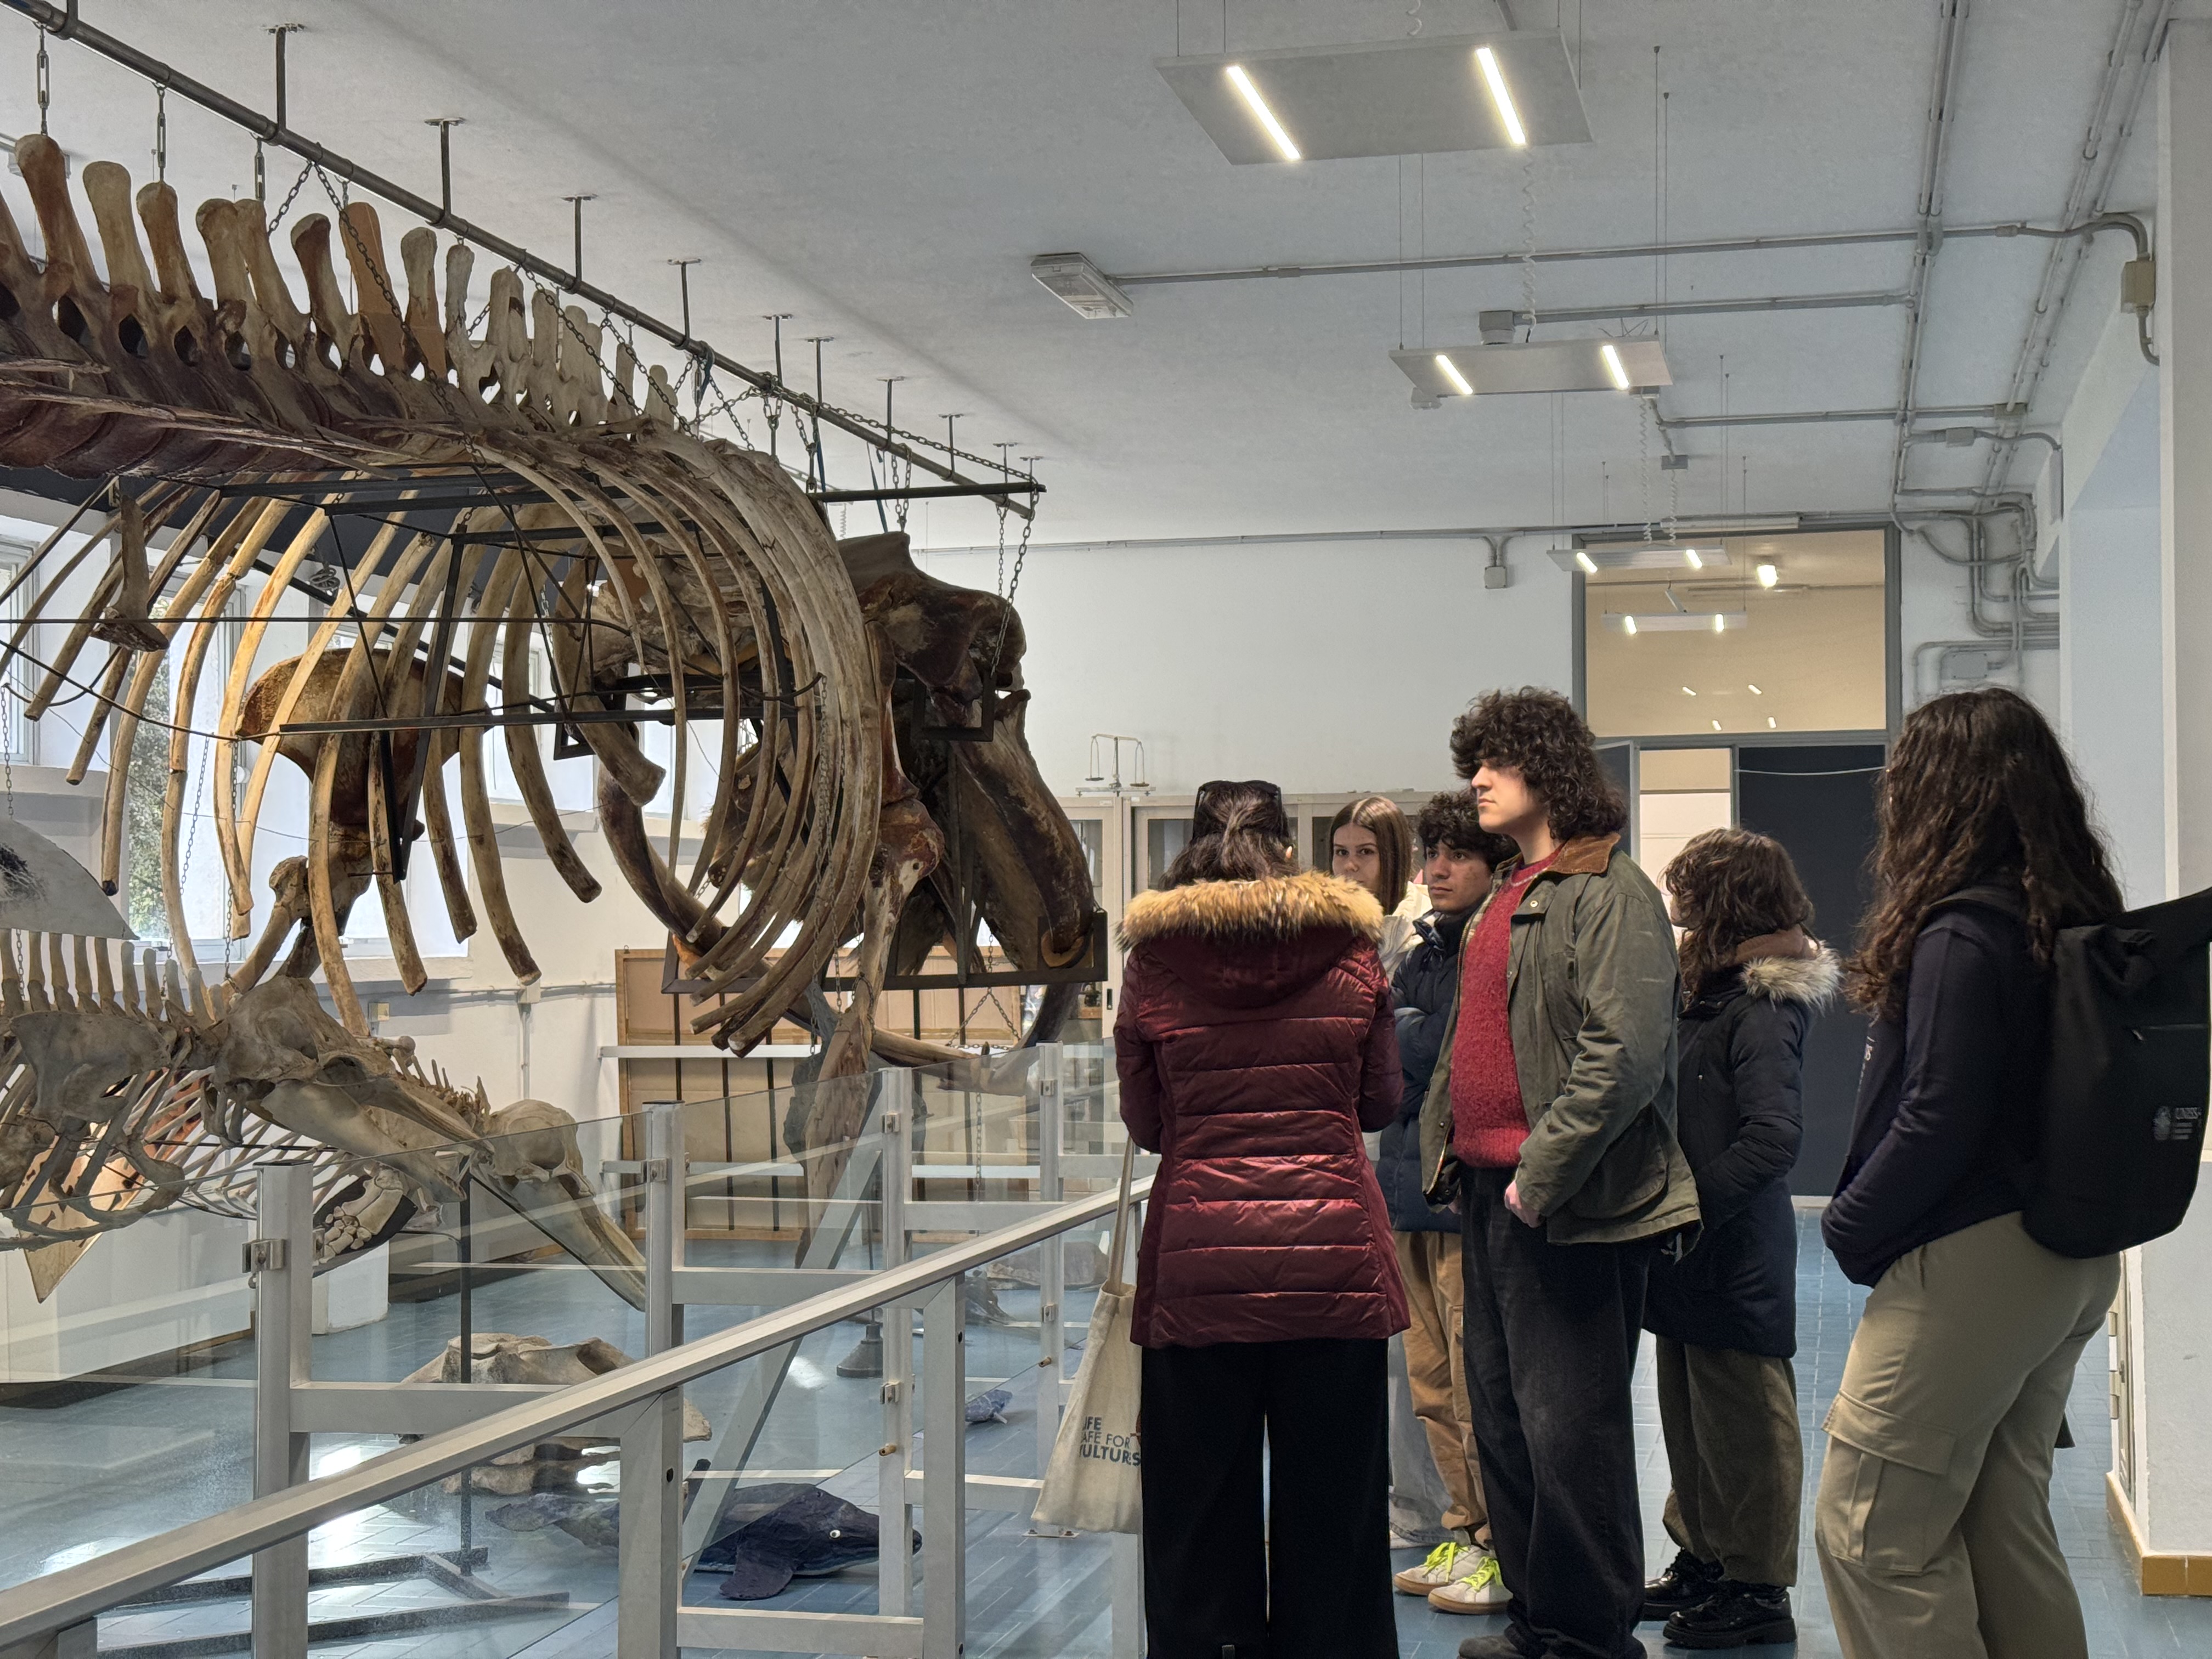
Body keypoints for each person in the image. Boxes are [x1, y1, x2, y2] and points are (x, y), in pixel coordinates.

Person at [1816, 688, 2124, 1659]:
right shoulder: (2067, 918)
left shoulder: (1960, 928)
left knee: (1873, 1532)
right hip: (2066, 1256)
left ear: (1937, 792)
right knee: (2002, 1518)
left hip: (1971, 1266)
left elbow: (1938, 1112)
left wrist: (1847, 1223)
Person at [1415, 687, 1699, 1659]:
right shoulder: (1508, 890)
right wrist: (1446, 1146)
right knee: (1502, 1421)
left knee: (1570, 1433)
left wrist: (1538, 1173)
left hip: (1566, 1203)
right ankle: (1541, 1619)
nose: (1478, 779)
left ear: (1547, 767)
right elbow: (1468, 1042)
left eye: (1495, 760)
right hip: (1492, 1197)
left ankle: (1587, 1636)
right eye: (1474, 763)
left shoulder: (1611, 891)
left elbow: (1622, 1055)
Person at [1116, 777, 1408, 1659]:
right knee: (1339, 1517)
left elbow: (1147, 1124)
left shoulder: (1153, 964)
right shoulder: (1352, 949)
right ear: (1289, 852)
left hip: (1200, 1271)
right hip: (1334, 1267)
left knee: (1196, 1516)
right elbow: (1381, 1102)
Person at [1640, 829, 1837, 1649]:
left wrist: (1687, 1209)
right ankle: (1706, 1556)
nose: (1677, 910)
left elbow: (1772, 1139)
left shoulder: (1762, 1006)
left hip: (1729, 1246)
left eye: (1689, 894)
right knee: (1689, 1413)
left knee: (1748, 1422)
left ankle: (1758, 1586)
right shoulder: (1706, 994)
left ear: (1727, 901)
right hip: (1687, 1247)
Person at [1381, 792, 1519, 1616]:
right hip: (1406, 1191)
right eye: (1431, 854)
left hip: (1466, 1194)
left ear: (1494, 864)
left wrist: (1410, 1032)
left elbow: (1448, 1051)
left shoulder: (1496, 944)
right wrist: (1410, 1031)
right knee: (1429, 1382)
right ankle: (1465, 1534)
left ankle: (1501, 1545)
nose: (1436, 870)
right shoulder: (1424, 951)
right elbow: (1387, 1055)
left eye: (1456, 855)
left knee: (1478, 1387)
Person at [1331, 793, 1420, 974]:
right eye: (1341, 852)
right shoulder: (1318, 929)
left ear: (1395, 856)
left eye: (1365, 851)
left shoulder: (1426, 928)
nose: (1350, 865)